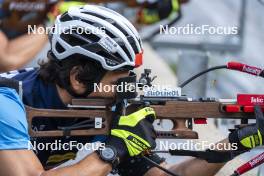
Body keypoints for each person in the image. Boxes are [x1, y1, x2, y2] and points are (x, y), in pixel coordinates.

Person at [0, 4, 263, 176]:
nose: (128, 89)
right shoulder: (7, 101)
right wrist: (112, 151)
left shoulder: (105, 108)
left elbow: (172, 175)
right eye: (120, 81)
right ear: (79, 78)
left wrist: (235, 144)